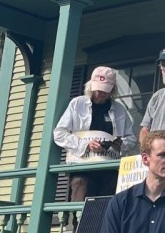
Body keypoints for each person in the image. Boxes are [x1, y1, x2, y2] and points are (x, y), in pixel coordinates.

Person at [53, 66, 135, 202]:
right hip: (82, 167)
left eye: (105, 91)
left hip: (109, 168)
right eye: (97, 89)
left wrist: (118, 144)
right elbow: (59, 133)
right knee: (81, 202)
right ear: (90, 85)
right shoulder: (77, 104)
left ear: (112, 90)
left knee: (104, 207)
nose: (100, 94)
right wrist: (86, 145)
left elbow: (131, 139)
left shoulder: (120, 109)